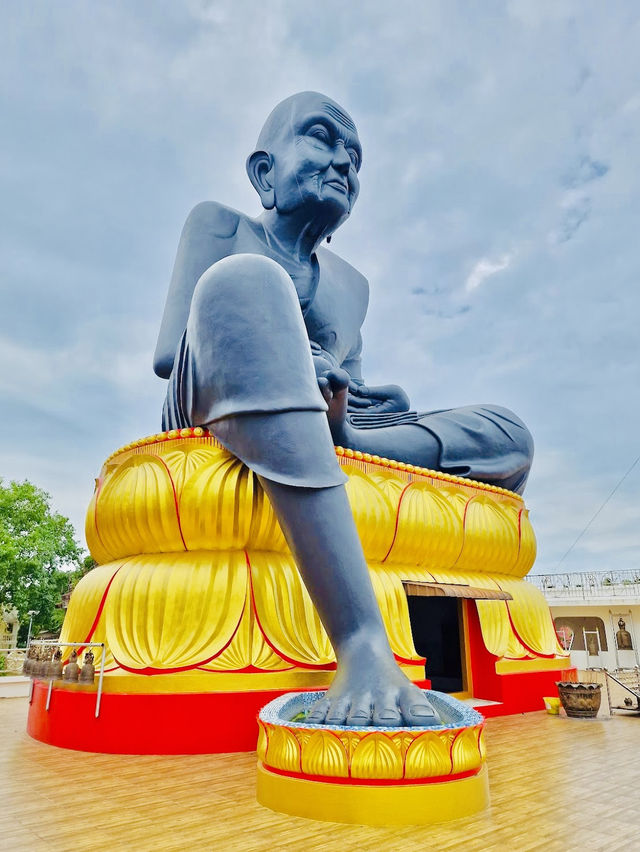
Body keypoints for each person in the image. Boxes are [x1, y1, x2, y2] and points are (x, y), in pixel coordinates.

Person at [153, 92, 533, 726]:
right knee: (245, 283)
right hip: (210, 405)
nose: (343, 163)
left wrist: (354, 408)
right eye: (323, 139)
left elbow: (346, 380)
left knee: (507, 430)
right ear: (263, 173)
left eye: (355, 157)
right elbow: (173, 352)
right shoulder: (222, 227)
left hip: (325, 428)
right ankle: (360, 638)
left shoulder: (351, 284)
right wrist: (296, 356)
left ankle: (322, 456)